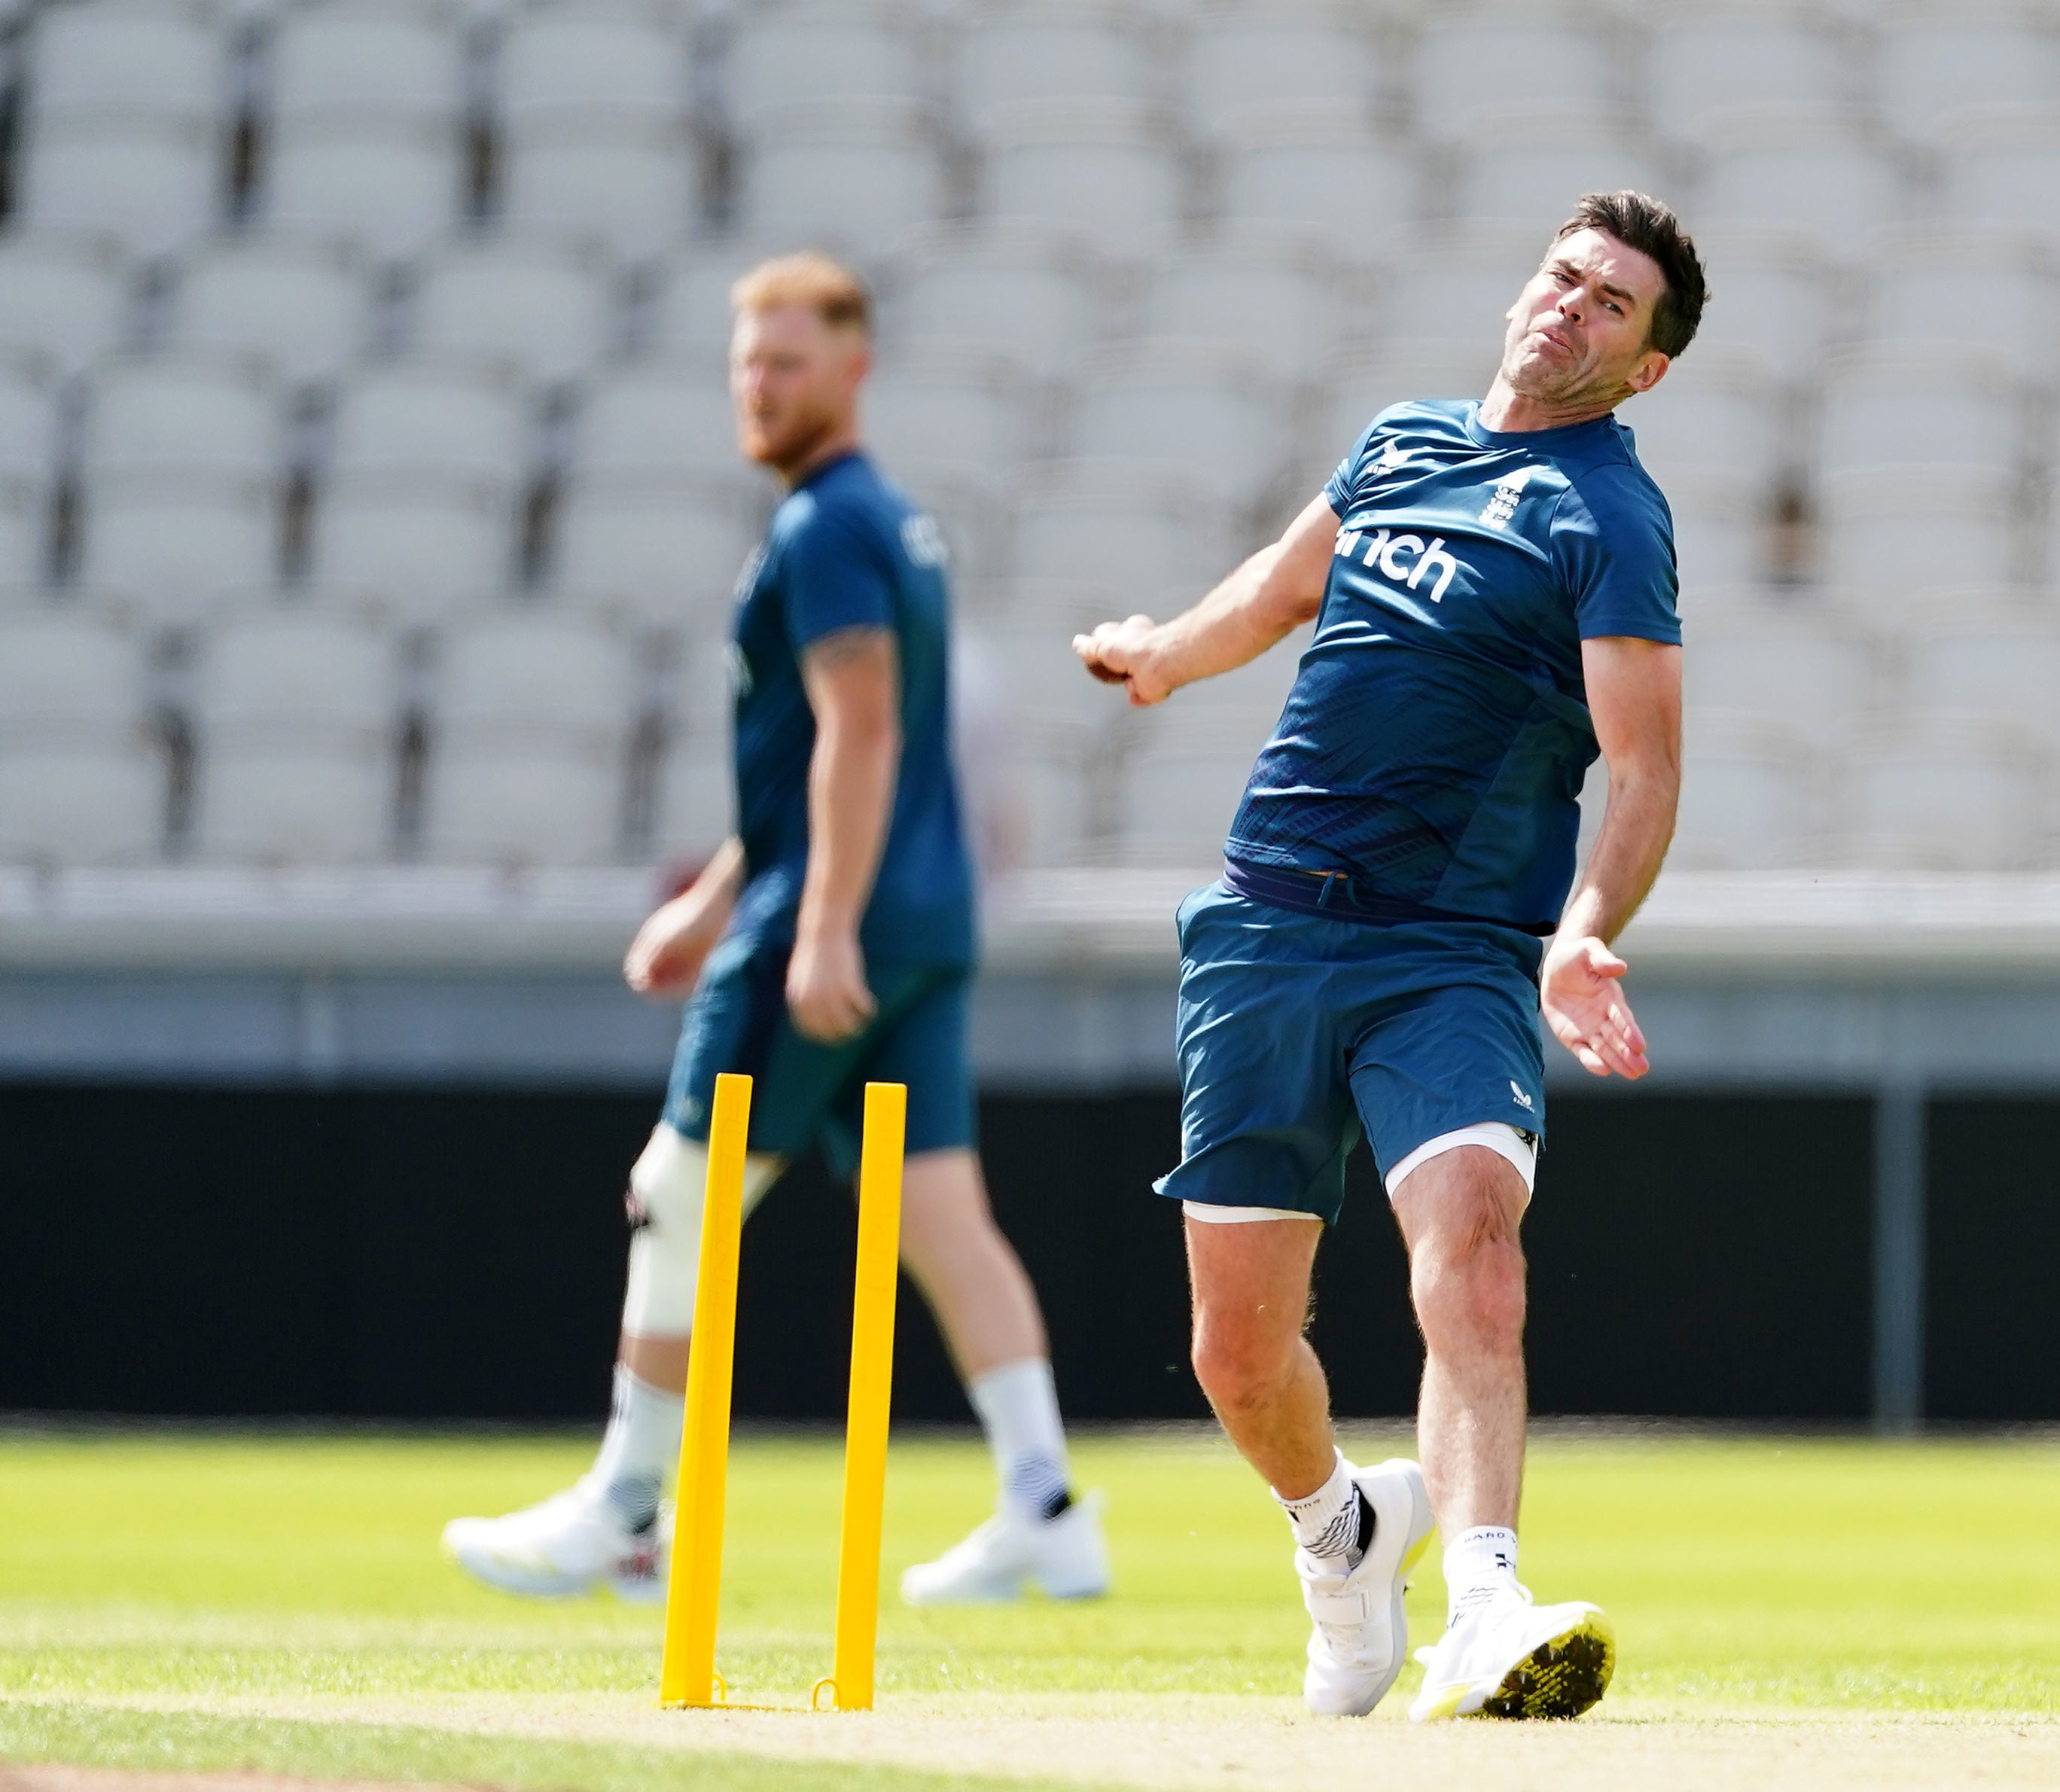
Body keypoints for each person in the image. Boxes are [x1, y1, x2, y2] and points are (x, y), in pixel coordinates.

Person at [1074, 191, 1700, 1720]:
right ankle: (1343, 1531)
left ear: (1644, 369)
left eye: (1612, 304)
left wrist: (1583, 934)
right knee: (1235, 1355)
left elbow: (1646, 766)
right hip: (1267, 925)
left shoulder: (1607, 516)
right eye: (1565, 275)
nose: (1572, 305)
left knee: (1472, 1251)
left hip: (1450, 949)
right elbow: (1282, 588)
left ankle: (1482, 1600)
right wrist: (1164, 651)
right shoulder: (1400, 439)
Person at [445, 252, 1107, 1608]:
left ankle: (628, 1513)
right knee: (941, 1219)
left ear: (855, 369)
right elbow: (827, 750)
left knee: (679, 1194)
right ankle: (1046, 1503)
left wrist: (816, 926)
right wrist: (708, 899)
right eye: (748, 362)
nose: (763, 385)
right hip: (923, 923)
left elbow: (860, 736)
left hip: (849, 922)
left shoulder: (827, 529)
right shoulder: (886, 524)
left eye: (791, 361)